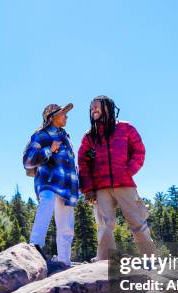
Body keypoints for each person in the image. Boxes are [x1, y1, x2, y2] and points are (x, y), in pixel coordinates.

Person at [77, 95, 158, 261]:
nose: (93, 110)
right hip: (100, 188)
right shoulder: (89, 136)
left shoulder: (126, 128)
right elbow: (83, 162)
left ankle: (151, 259)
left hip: (125, 184)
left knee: (137, 222)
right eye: (91, 107)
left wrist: (128, 171)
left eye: (97, 106)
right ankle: (105, 262)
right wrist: (88, 188)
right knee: (104, 226)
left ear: (108, 108)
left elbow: (139, 151)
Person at [23, 103, 78, 268]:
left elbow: (71, 163)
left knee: (66, 223)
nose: (66, 116)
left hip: (67, 186)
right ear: (52, 117)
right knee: (45, 207)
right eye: (63, 113)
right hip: (48, 181)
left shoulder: (66, 137)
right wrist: (48, 150)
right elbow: (27, 160)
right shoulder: (41, 135)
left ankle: (64, 261)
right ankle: (35, 248)